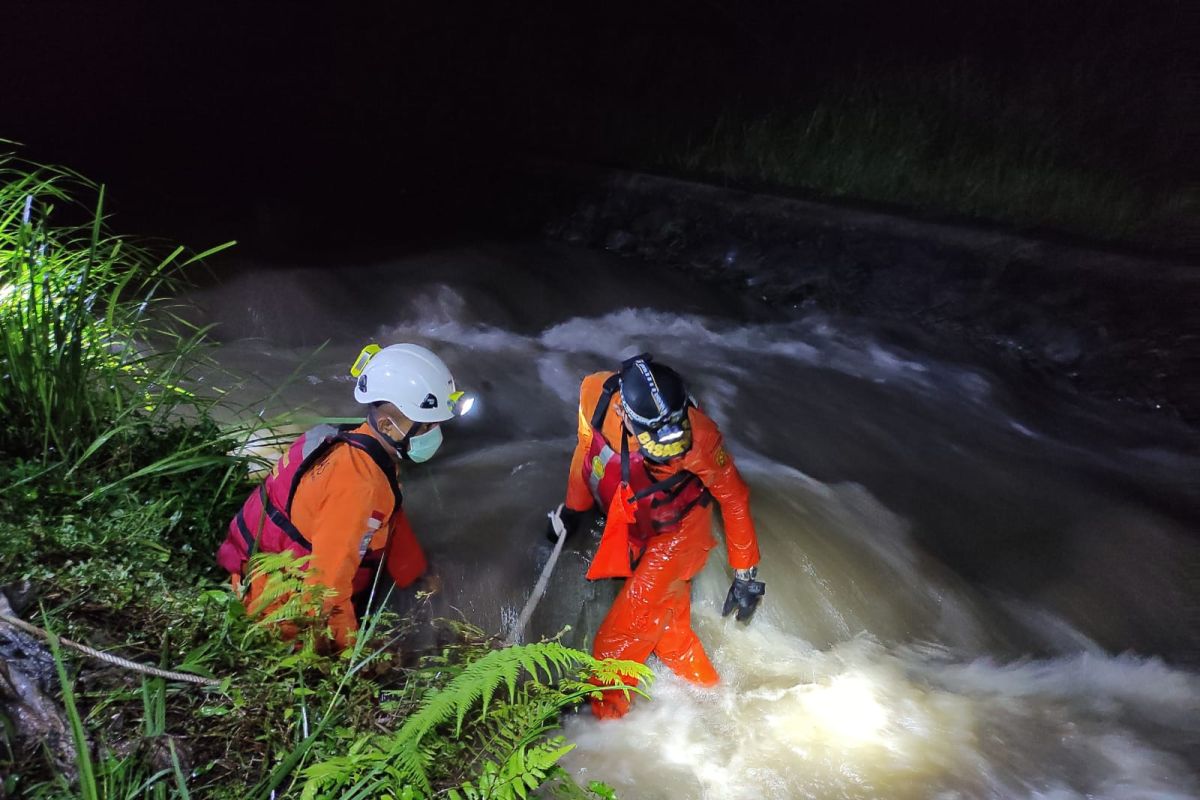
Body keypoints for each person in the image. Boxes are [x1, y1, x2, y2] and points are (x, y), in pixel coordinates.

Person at [216, 343, 473, 650]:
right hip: (277, 611)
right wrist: (351, 658)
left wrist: (415, 574)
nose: (435, 433)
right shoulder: (357, 486)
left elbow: (387, 516)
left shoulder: (354, 445)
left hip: (264, 575)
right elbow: (326, 590)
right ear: (389, 424)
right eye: (428, 425)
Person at [550, 353, 765, 719]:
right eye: (657, 444)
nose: (670, 451)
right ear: (624, 415)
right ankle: (718, 705)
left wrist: (745, 574)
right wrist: (573, 509)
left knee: (615, 645)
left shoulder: (700, 436)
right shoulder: (594, 397)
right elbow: (588, 454)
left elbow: (734, 497)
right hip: (635, 526)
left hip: (679, 537)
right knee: (670, 636)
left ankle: (604, 734)